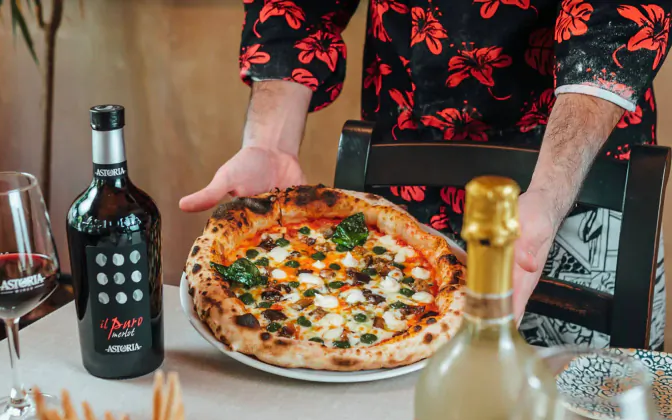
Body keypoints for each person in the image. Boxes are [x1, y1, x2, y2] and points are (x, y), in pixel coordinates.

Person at [179, 1, 669, 348]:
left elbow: (617, 21)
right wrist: (269, 142)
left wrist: (545, 194)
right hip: (399, 188)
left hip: (568, 190)